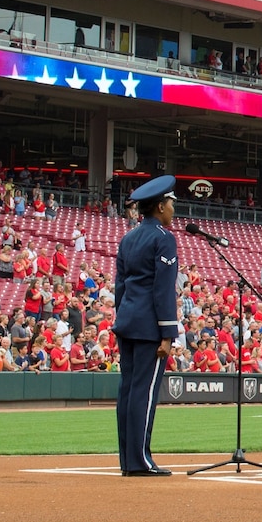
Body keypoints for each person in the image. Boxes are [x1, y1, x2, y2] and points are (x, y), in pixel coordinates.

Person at [114, 174, 181, 476]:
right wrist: (168, 332)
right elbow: (163, 290)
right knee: (145, 393)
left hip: (128, 322)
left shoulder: (128, 238)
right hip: (150, 327)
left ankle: (129, 461)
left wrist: (124, 317)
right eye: (170, 203)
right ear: (159, 206)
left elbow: (120, 287)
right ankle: (140, 460)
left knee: (128, 392)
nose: (172, 209)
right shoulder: (164, 239)